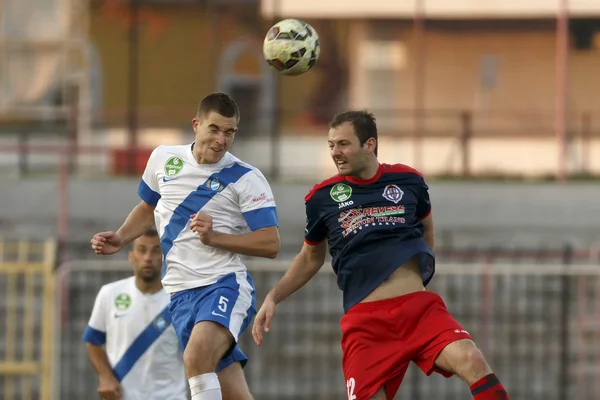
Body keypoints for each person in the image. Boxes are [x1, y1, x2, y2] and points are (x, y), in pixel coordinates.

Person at [252, 110, 509, 400]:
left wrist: (416, 278)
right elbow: (310, 258)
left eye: (343, 144)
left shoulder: (408, 180)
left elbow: (428, 231)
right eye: (331, 145)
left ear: (370, 144)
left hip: (419, 310)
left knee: (472, 360)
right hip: (366, 324)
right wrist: (273, 297)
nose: (335, 152)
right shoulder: (321, 197)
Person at [90, 92, 280, 400]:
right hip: (180, 294)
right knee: (232, 392)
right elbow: (147, 207)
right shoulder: (163, 158)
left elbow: (271, 243)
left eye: (229, 132)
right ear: (196, 125)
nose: (221, 140)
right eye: (215, 129)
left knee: (195, 358)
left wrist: (216, 237)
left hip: (224, 285)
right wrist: (122, 236)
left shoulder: (246, 178)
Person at [83, 229, 189, 400]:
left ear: (165, 258)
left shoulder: (180, 301)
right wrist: (106, 377)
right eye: (142, 250)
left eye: (156, 251)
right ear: (131, 256)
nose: (148, 257)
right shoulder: (110, 294)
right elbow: (93, 342)